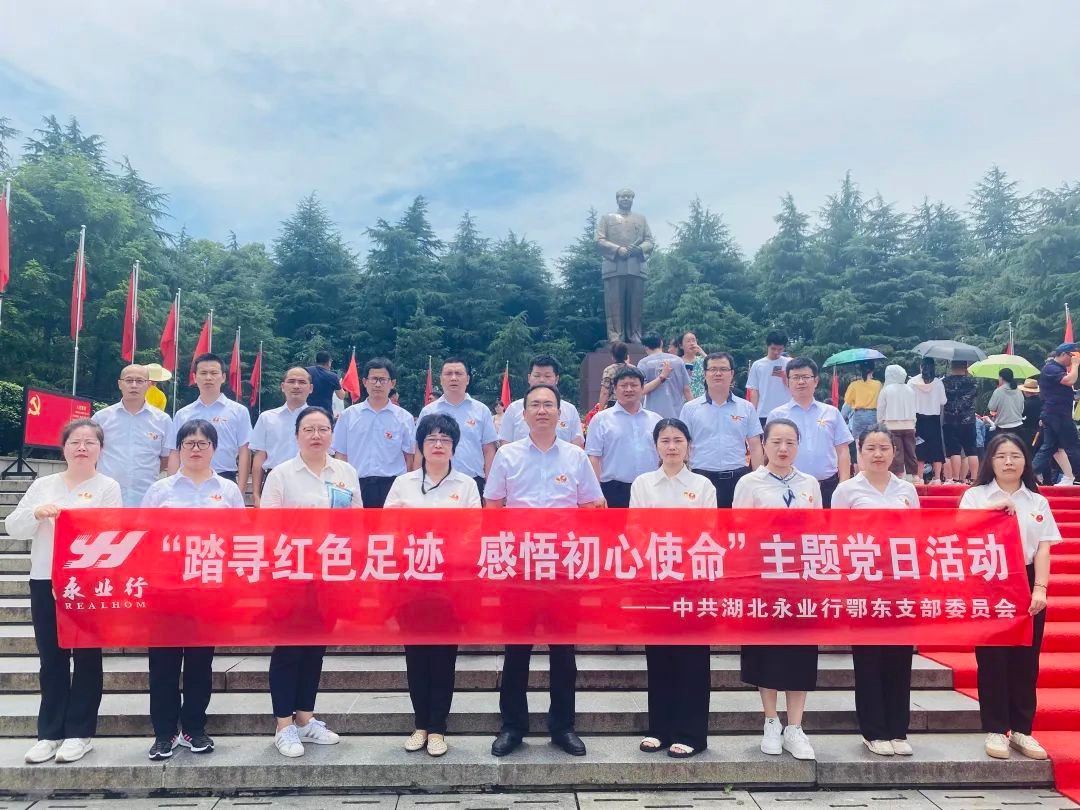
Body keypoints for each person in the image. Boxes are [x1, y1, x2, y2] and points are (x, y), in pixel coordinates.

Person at [485, 383, 604, 758]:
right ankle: (512, 726)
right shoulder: (507, 456)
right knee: (516, 649)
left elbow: (592, 505)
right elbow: (493, 507)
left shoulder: (575, 457)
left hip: (562, 565)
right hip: (519, 565)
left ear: (560, 413)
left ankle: (563, 726)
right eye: (534, 405)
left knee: (563, 652)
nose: (541, 411)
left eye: (548, 405)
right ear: (523, 414)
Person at [6, 419, 122, 765]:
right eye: (75, 442)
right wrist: (37, 513)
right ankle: (49, 733)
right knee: (51, 658)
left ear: (100, 449)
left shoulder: (108, 487)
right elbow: (13, 527)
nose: (82, 448)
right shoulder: (43, 485)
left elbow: (112, 531)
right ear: (64, 448)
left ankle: (80, 734)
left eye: (90, 442)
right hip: (45, 580)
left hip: (86, 585)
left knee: (87, 658)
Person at [140, 419, 246, 761]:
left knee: (201, 662)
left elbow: (240, 536)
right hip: (166, 588)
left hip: (208, 588)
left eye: (203, 443)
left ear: (214, 448)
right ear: (179, 449)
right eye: (189, 443)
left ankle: (194, 728)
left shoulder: (228, 490)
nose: (196, 449)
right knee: (163, 664)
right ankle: (164, 733)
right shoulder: (161, 490)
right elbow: (142, 535)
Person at [261, 406, 361, 758]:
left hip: (330, 574)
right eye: (309, 429)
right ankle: (283, 725)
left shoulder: (346, 472)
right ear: (297, 435)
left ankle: (305, 718)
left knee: (316, 647)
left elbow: (356, 522)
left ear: (332, 434)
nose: (316, 435)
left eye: (323, 429)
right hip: (290, 574)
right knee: (288, 648)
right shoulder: (282, 474)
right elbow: (268, 526)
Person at [385, 414, 482, 757]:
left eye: (445, 439)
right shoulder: (404, 484)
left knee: (443, 657)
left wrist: (445, 544)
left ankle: (439, 727)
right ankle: (420, 724)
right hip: (411, 583)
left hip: (449, 585)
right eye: (431, 439)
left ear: (454, 446)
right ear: (421, 445)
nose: (438, 445)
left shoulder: (466, 485)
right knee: (415, 657)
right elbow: (389, 528)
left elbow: (474, 531)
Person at [960, 433, 1058, 761]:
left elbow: (1043, 548)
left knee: (1026, 659)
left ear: (1025, 461)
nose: (1008, 462)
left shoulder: (1037, 501)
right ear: (990, 461)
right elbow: (960, 531)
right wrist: (992, 509)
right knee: (991, 658)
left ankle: (1021, 730)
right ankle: (995, 728)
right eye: (1001, 456)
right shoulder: (975, 496)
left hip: (1026, 579)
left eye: (1015, 455)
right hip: (989, 580)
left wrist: (1040, 588)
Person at [732, 418, 821, 761]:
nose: (783, 449)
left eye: (790, 442)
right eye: (776, 442)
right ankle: (770, 721)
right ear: (764, 445)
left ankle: (795, 727)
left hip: (801, 580)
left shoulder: (809, 483)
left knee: (801, 653)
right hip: (764, 579)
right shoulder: (749, 483)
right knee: (765, 651)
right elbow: (738, 531)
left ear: (798, 445)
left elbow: (818, 531)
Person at [630, 418, 717, 758]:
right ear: (656, 446)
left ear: (688, 446)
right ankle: (660, 729)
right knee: (659, 656)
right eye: (665, 440)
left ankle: (692, 733)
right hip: (656, 581)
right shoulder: (643, 484)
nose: (671, 446)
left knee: (692, 658)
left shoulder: (702, 485)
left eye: (678, 440)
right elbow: (636, 529)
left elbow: (708, 531)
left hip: (693, 581)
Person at [832, 424, 920, 757]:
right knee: (868, 657)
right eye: (871, 448)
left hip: (900, 583)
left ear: (894, 452)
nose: (878, 454)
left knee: (899, 657)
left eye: (884, 448)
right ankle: (873, 731)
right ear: (859, 451)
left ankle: (898, 729)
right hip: (863, 583)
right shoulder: (846, 490)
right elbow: (836, 537)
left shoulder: (906, 490)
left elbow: (917, 534)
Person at [679, 352, 764, 507]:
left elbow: (756, 446)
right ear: (705, 374)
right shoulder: (690, 409)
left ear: (732, 374)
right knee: (703, 521)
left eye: (723, 369)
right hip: (700, 478)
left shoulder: (746, 408)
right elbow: (683, 446)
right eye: (713, 369)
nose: (718, 373)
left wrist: (759, 479)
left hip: (738, 479)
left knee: (737, 521)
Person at [766, 358, 853, 507]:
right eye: (795, 377)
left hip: (828, 485)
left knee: (830, 522)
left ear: (816, 381)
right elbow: (770, 452)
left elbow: (843, 450)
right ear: (788, 382)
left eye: (806, 377)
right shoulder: (777, 415)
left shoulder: (831, 412)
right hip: (790, 486)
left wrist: (843, 484)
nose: (801, 382)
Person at [332, 358, 417, 507]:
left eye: (383, 380)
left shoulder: (404, 418)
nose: (377, 384)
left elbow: (409, 458)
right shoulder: (348, 415)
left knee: (390, 523)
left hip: (393, 487)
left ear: (392, 383)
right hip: (356, 485)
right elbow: (341, 455)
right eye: (373, 379)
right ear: (365, 382)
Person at [92, 363, 177, 506]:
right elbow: (91, 454)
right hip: (107, 497)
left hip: (146, 497)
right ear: (120, 384)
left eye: (139, 381)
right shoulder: (101, 418)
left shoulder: (163, 420)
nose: (134, 385)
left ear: (148, 385)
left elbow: (165, 458)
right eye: (129, 380)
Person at [418, 359, 499, 497]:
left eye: (458, 373)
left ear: (467, 379)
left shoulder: (481, 410)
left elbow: (489, 450)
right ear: (441, 379)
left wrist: (490, 487)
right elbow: (419, 449)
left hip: (472, 481)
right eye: (448, 373)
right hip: (434, 481)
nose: (453, 378)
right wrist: (418, 484)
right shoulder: (428, 411)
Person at [585, 366, 662, 507]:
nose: (629, 389)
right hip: (614, 489)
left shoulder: (656, 420)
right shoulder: (601, 420)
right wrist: (596, 492)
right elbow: (593, 458)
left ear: (642, 388)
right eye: (623, 385)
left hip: (651, 488)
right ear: (615, 389)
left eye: (634, 385)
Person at [174, 353, 252, 488]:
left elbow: (244, 450)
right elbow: (175, 452)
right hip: (188, 479)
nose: (208, 378)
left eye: (214, 373)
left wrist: (241, 489)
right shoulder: (183, 414)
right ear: (195, 377)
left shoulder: (239, 411)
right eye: (203, 373)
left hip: (225, 477)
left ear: (223, 377)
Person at [596, 188, 654, 344]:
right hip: (614, 266)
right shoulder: (607, 218)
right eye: (622, 196)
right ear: (617, 199)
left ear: (633, 199)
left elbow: (649, 241)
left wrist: (640, 249)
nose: (626, 199)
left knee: (636, 304)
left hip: (636, 266)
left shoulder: (641, 219)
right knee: (614, 304)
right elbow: (599, 241)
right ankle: (616, 335)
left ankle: (635, 334)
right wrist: (617, 249)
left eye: (629, 196)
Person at [249, 367, 312, 505]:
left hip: (310, 480)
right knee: (272, 520)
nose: (296, 386)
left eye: (302, 382)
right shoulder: (267, 417)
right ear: (283, 386)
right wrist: (256, 494)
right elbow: (260, 457)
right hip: (274, 480)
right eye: (291, 381)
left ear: (311, 388)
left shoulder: (318, 418)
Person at [499, 355, 584, 447]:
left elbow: (577, 445)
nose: (542, 380)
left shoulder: (570, 410)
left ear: (556, 379)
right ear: (529, 378)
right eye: (537, 375)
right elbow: (505, 444)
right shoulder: (514, 409)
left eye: (547, 376)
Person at [1033, 344, 1080, 486]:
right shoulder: (1051, 368)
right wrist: (1075, 366)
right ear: (1064, 354)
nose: (1074, 359)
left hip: (1054, 414)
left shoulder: (1058, 369)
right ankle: (1077, 476)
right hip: (1058, 414)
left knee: (1050, 447)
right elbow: (1070, 380)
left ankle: (1028, 474)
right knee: (1072, 445)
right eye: (1073, 356)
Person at [876, 364, 918, 482]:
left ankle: (897, 475)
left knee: (896, 451)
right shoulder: (910, 389)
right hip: (909, 425)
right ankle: (913, 475)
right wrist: (914, 423)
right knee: (911, 451)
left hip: (891, 426)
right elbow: (914, 408)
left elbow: (881, 409)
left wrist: (880, 423)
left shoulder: (886, 390)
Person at [909, 359, 947, 483]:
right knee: (936, 448)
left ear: (921, 367)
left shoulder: (912, 382)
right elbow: (943, 401)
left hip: (918, 419)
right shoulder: (938, 383)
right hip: (934, 419)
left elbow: (908, 400)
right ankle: (937, 478)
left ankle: (919, 477)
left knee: (919, 448)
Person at [637, 333, 692, 419]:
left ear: (645, 346)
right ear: (661, 343)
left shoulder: (644, 363)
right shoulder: (678, 361)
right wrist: (693, 410)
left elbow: (641, 390)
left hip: (654, 415)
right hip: (677, 413)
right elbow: (687, 389)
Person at [942, 361, 979, 484]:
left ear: (952, 366)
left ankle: (956, 478)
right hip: (968, 420)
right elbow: (974, 396)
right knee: (971, 450)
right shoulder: (973, 382)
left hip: (950, 420)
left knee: (954, 451)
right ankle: (974, 478)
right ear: (965, 367)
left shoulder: (945, 382)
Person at [746, 331, 790, 427]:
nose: (776, 352)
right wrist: (753, 412)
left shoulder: (789, 363)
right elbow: (754, 391)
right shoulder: (757, 365)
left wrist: (785, 377)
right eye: (773, 348)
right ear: (767, 346)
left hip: (787, 412)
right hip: (763, 413)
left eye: (780, 349)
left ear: (784, 348)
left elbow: (796, 387)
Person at [844, 362, 881, 456]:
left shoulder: (854, 385)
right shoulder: (878, 384)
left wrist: (843, 417)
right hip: (873, 415)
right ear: (872, 370)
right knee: (872, 443)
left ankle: (861, 465)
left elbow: (847, 404)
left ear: (860, 370)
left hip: (859, 416)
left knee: (858, 445)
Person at [984, 369, 1025, 435]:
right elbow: (1022, 409)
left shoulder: (998, 391)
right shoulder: (1019, 391)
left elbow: (991, 407)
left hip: (1003, 427)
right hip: (1018, 426)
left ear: (1001, 378)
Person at [596, 341, 631, 411]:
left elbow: (604, 392)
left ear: (613, 355)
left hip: (613, 404)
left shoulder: (609, 370)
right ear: (626, 355)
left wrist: (600, 410)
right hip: (630, 403)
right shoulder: (632, 370)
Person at [676, 332, 708, 399]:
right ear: (681, 346)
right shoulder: (678, 362)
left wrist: (701, 352)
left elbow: (714, 365)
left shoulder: (702, 361)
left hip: (700, 399)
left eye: (694, 341)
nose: (692, 343)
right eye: (688, 341)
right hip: (682, 400)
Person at [1019, 378, 1042, 450]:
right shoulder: (1043, 401)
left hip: (1028, 431)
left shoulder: (1026, 403)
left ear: (1026, 391)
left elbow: (1021, 415)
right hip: (1041, 430)